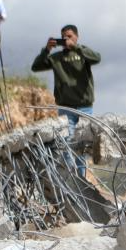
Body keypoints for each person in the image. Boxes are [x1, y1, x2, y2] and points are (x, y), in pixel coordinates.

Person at [30, 25, 102, 177]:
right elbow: (35, 67)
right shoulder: (56, 58)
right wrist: (46, 50)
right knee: (66, 143)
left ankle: (81, 178)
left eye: (69, 36)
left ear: (76, 37)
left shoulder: (83, 53)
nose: (66, 39)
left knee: (82, 145)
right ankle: (70, 177)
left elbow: (97, 58)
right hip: (65, 108)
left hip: (85, 107)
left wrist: (75, 47)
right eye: (64, 37)